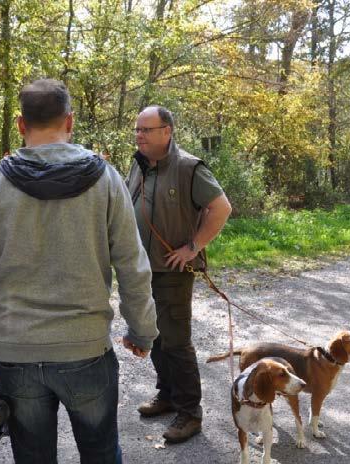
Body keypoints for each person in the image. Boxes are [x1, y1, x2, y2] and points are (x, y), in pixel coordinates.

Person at [0, 79, 158, 463]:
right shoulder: (107, 181)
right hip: (85, 348)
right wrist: (143, 331)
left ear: (20, 125)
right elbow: (134, 266)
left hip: (15, 352)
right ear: (70, 121)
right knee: (101, 453)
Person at [126, 105, 232, 443]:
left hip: (173, 270)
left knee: (176, 341)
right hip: (142, 269)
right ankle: (168, 395)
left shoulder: (188, 167)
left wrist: (193, 247)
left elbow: (221, 207)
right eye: (137, 130)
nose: (139, 135)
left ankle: (190, 413)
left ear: (167, 131)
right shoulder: (138, 164)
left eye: (147, 129)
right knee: (154, 335)